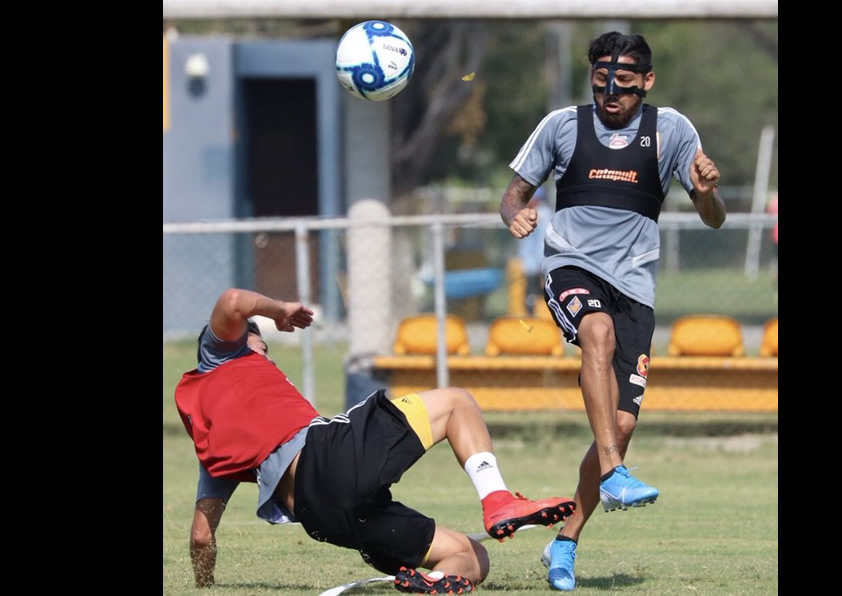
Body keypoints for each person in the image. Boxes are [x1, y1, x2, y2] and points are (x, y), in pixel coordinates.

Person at [498, 31, 726, 591]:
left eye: (623, 87)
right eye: (601, 85)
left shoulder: (671, 130)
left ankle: (565, 541)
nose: (610, 97)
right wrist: (515, 216)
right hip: (571, 266)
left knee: (621, 424)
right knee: (595, 333)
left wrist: (708, 192)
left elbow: (712, 218)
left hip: (636, 288)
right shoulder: (561, 125)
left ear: (646, 82)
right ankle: (612, 472)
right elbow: (513, 193)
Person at [176, 287, 576, 593]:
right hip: (327, 459)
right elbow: (232, 300)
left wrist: (206, 586)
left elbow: (201, 536)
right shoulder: (222, 355)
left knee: (472, 557)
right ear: (232, 339)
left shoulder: (214, 449)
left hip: (324, 519)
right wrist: (280, 311)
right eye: (259, 341)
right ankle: (498, 499)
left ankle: (433, 583)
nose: (266, 350)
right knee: (457, 402)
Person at [517, 187, 554, 316]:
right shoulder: (528, 213)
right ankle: (532, 322)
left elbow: (542, 242)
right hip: (531, 264)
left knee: (544, 293)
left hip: (540, 264)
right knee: (530, 295)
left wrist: (541, 264)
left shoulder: (543, 214)